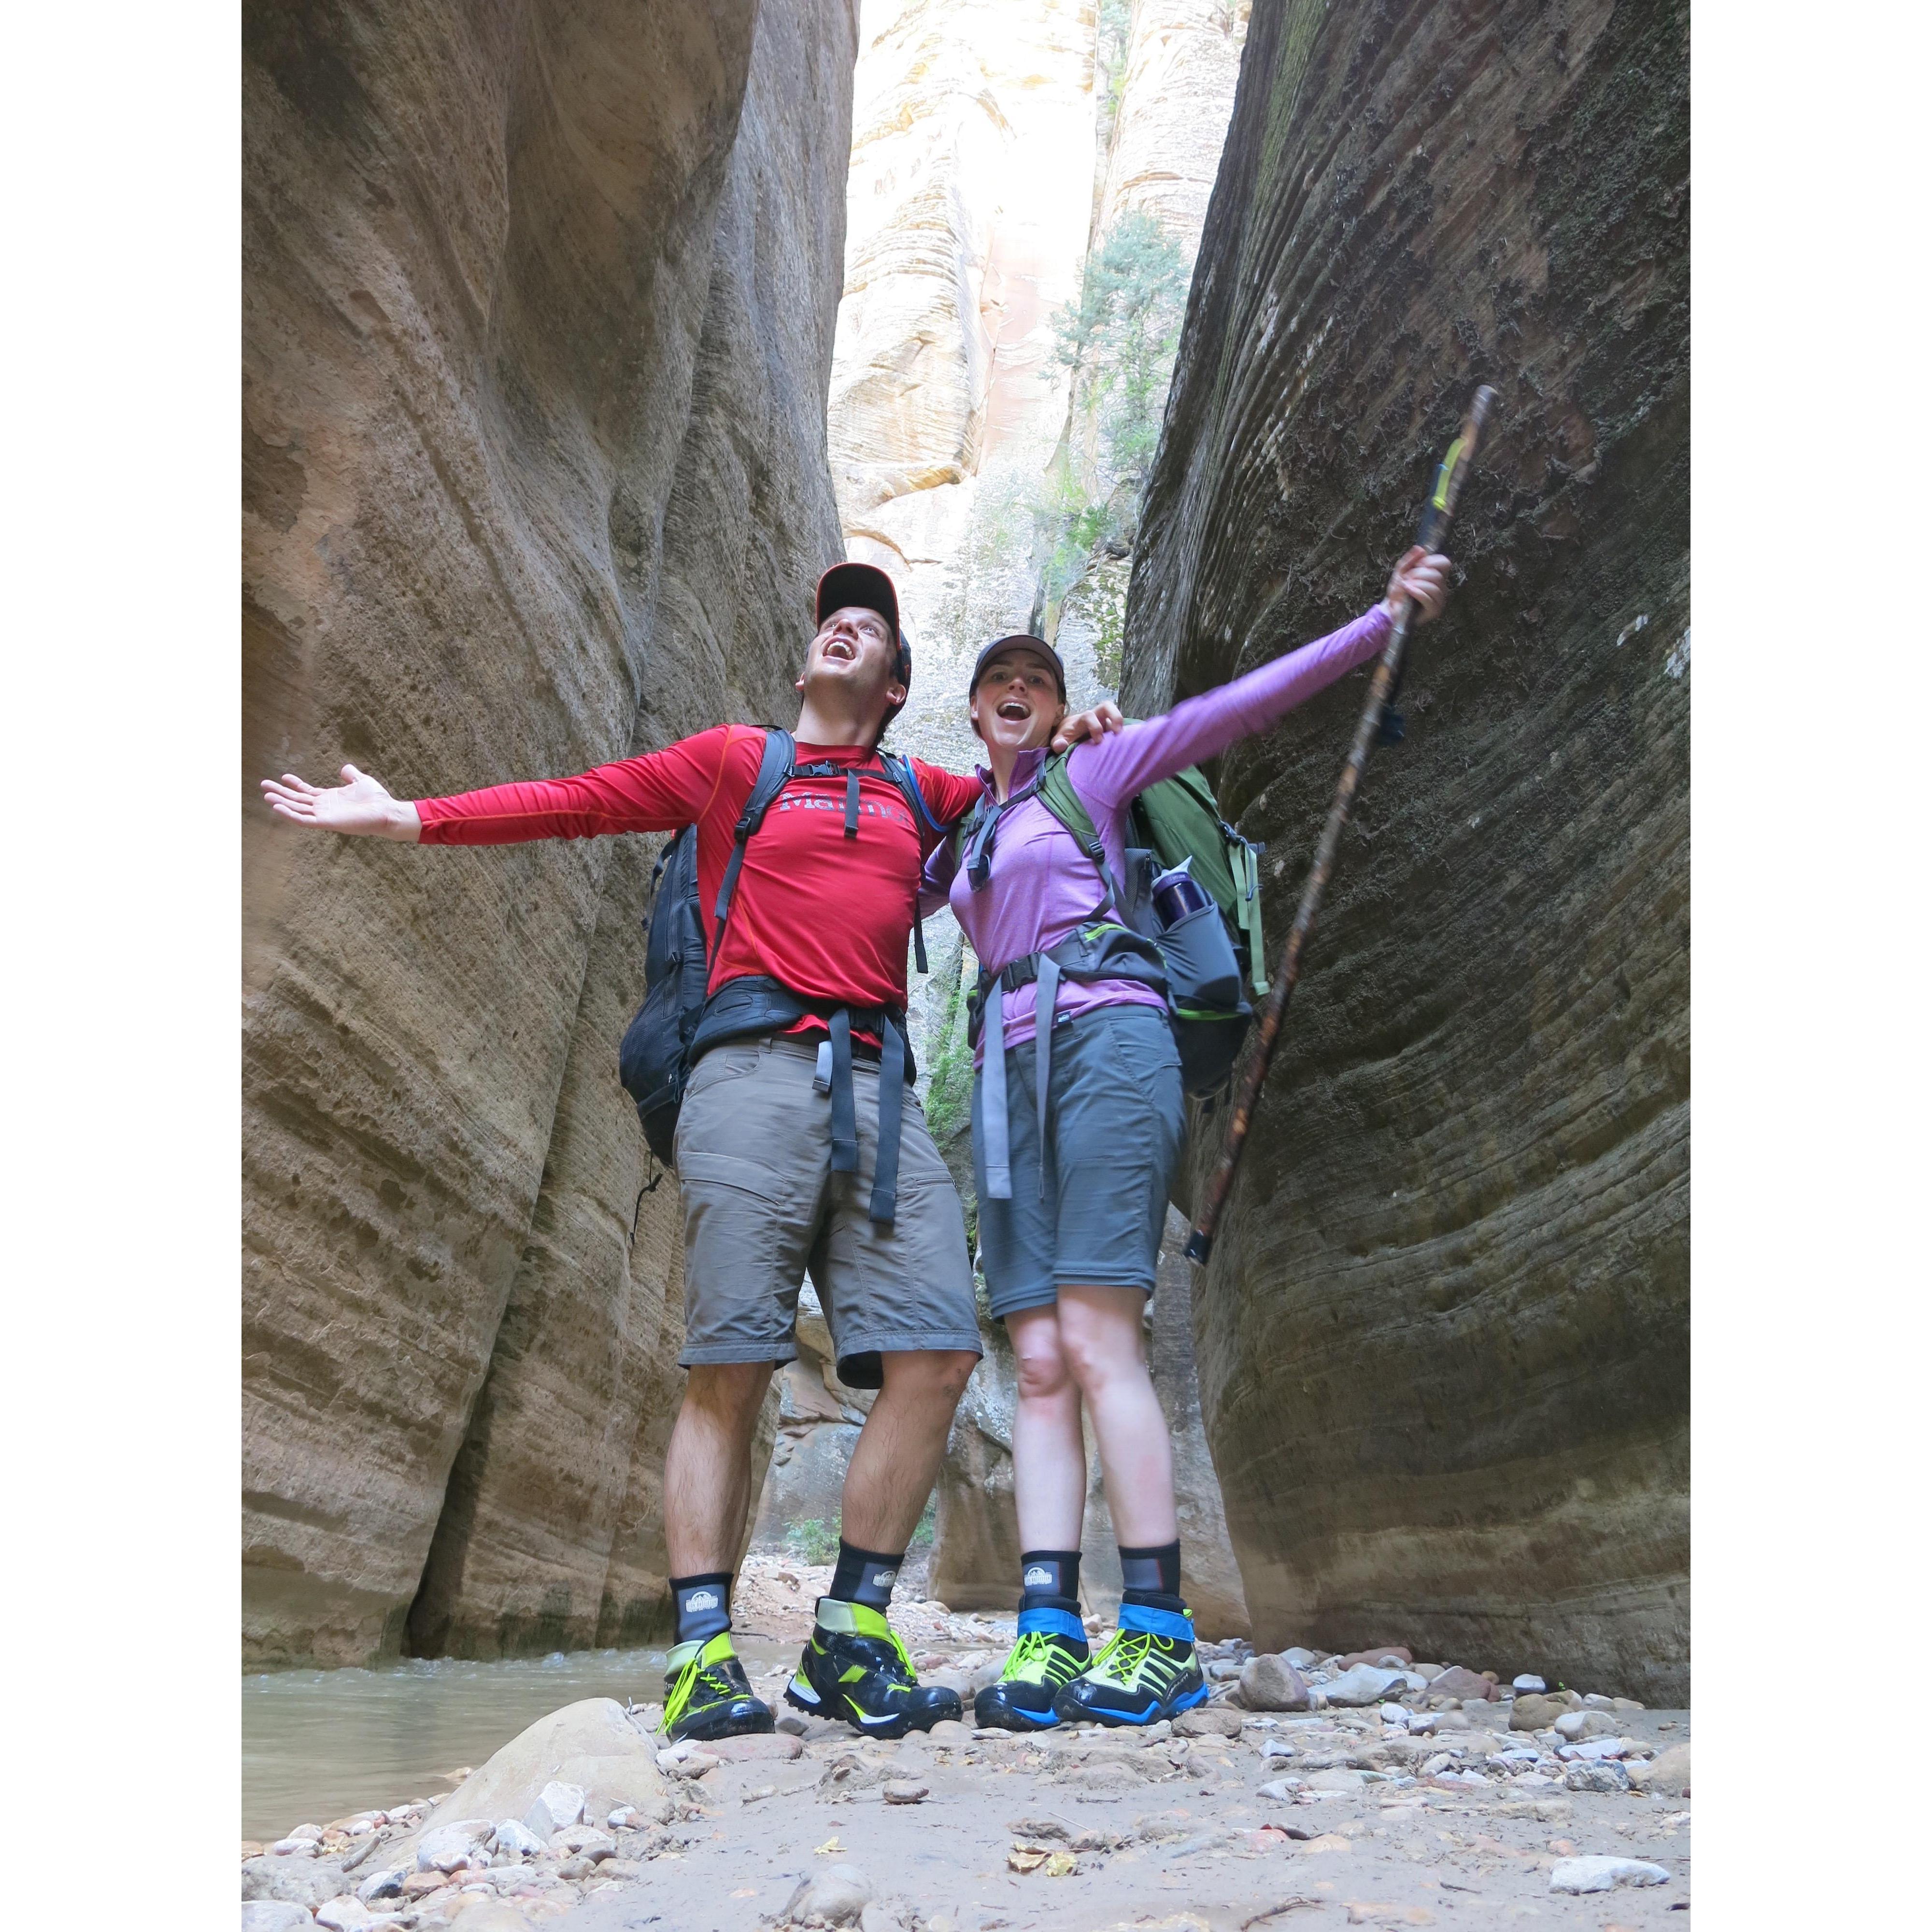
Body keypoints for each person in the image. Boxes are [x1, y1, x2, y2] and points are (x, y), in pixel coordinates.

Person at [261, 561, 1122, 1743]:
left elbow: (1028, 796)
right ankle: (701, 1653)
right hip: (747, 1072)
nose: (844, 627)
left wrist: (1076, 738)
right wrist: (411, 815)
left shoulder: (923, 792)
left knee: (934, 1352)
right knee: (733, 1362)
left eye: (868, 625)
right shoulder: (735, 762)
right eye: (832, 620)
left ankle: (848, 1638)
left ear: (896, 685)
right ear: (807, 663)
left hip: (880, 1088)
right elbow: (580, 799)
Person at [922, 546, 1453, 1729]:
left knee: (1098, 1337)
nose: (1017, 688)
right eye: (998, 677)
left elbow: (1234, 709)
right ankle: (1047, 1631)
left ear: (1058, 707)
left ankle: (1158, 1632)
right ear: (971, 708)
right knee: (1039, 1357)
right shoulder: (964, 838)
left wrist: (1376, 622)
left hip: (1107, 1045)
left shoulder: (1095, 770)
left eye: (1037, 679)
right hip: (1006, 1080)